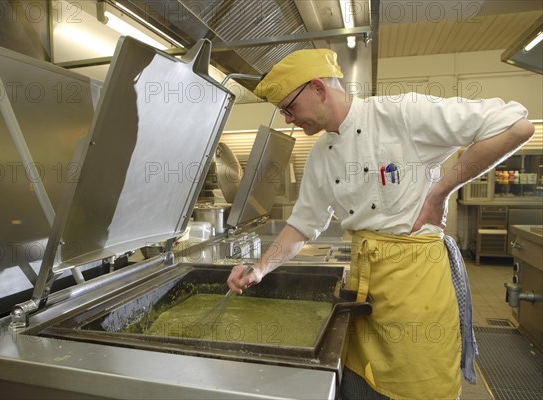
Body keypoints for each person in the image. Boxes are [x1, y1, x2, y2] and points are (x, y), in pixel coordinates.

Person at [226, 48, 534, 399]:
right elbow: (302, 224)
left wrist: (441, 191)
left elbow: (516, 125)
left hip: (418, 289)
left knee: (421, 386)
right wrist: (260, 269)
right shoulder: (320, 155)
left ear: (318, 88)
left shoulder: (400, 114)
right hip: (364, 291)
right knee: (361, 384)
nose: (288, 120)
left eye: (289, 109)